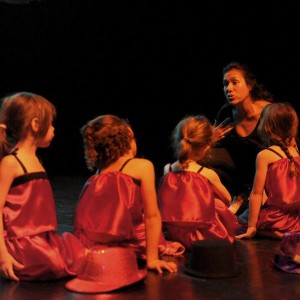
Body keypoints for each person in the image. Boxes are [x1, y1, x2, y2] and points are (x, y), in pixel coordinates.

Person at [73, 114, 184, 274]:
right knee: (148, 227)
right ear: (129, 137)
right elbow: (152, 215)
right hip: (126, 241)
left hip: (91, 242)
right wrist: (152, 259)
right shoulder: (142, 166)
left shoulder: (99, 172)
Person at [0, 92, 86, 281]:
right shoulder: (11, 162)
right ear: (35, 125)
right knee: (56, 265)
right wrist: (3, 255)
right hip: (21, 243)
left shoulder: (35, 160)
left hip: (42, 238)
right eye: (51, 124)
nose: (54, 129)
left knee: (79, 254)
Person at [200, 61, 274, 215]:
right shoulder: (226, 113)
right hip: (239, 176)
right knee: (201, 161)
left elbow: (287, 150)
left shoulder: (269, 113)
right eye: (225, 84)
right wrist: (210, 140)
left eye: (235, 82)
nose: (229, 89)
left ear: (249, 85)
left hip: (267, 178)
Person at [157, 114, 238, 250]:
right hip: (205, 238)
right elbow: (228, 200)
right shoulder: (207, 174)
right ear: (206, 147)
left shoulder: (168, 169)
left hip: (175, 234)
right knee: (218, 203)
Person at [236, 102, 300, 240]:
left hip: (277, 217)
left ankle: (276, 233)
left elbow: (256, 193)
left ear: (266, 127)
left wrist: (252, 227)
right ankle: (290, 233)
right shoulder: (296, 152)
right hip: (297, 216)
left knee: (240, 221)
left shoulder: (265, 155)